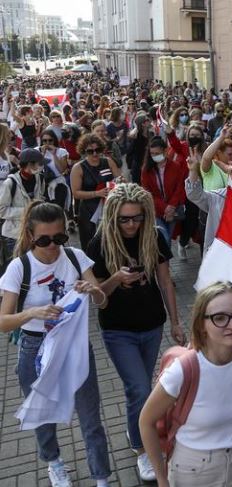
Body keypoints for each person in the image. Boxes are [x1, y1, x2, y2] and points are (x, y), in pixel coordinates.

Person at [0, 202, 111, 487]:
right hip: (34, 348)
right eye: (44, 240)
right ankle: (54, 462)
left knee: (90, 414)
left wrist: (93, 290)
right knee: (42, 414)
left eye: (59, 238)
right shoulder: (19, 267)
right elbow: (3, 321)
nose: (52, 246)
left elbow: (102, 300)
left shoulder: (75, 257)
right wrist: (32, 313)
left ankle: (101, 476)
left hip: (73, 345)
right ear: (30, 235)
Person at [86, 183, 182, 482]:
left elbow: (166, 282)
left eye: (137, 218)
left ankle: (136, 428)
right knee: (138, 389)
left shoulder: (153, 236)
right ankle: (142, 447)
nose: (131, 225)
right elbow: (97, 297)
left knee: (142, 389)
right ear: (113, 217)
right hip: (118, 329)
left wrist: (176, 322)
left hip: (152, 324)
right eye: (124, 219)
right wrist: (116, 278)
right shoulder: (99, 243)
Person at [139, 281, 232, 487]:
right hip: (194, 470)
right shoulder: (183, 370)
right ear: (202, 324)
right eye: (219, 318)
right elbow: (146, 421)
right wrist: (161, 478)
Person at [70, 134, 121, 250]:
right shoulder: (78, 167)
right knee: (90, 246)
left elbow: (120, 179)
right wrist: (97, 193)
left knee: (112, 244)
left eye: (97, 150)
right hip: (89, 212)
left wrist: (121, 181)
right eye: (90, 151)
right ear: (84, 151)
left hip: (110, 208)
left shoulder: (108, 162)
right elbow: (76, 193)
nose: (94, 154)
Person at [140, 137, 188, 244]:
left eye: (157, 153)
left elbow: (179, 188)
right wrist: (165, 207)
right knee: (164, 238)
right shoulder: (146, 170)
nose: (154, 156)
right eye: (152, 153)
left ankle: (165, 261)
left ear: (165, 151)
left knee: (168, 240)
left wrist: (171, 207)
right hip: (155, 211)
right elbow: (147, 192)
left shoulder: (175, 167)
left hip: (172, 210)